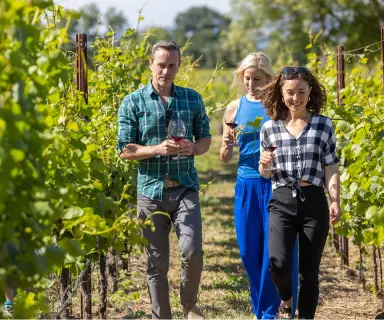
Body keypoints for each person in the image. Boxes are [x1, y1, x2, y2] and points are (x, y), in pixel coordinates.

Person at [117, 40, 212, 319]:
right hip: (150, 191)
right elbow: (124, 149)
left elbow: (205, 137)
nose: (166, 71)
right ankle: (162, 316)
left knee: (192, 251)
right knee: (156, 263)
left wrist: (194, 147)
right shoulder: (132, 101)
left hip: (185, 188)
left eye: (172, 65)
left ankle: (190, 305)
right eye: (161, 65)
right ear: (150, 65)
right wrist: (157, 149)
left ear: (178, 66)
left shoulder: (192, 98)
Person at [220, 52, 298, 319]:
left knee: (272, 255)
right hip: (246, 185)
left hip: (275, 184)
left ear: (268, 79)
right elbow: (225, 157)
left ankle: (268, 313)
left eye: (257, 79)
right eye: (247, 78)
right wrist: (227, 144)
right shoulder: (233, 108)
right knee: (248, 252)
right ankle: (263, 308)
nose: (251, 84)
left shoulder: (277, 107)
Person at [259, 66, 341, 319]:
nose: (296, 98)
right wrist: (264, 164)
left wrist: (335, 199)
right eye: (290, 92)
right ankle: (286, 299)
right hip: (282, 199)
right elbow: (265, 174)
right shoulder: (269, 128)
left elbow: (331, 166)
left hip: (313, 200)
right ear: (281, 93)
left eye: (301, 92)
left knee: (309, 272)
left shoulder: (323, 125)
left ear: (310, 92)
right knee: (278, 263)